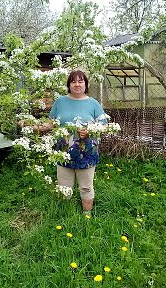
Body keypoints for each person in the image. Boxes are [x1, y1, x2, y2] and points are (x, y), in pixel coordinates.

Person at [48, 70, 107, 215]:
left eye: (80, 81)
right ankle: (65, 215)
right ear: (69, 84)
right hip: (63, 151)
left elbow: (104, 126)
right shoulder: (60, 102)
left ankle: (86, 216)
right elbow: (50, 124)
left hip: (86, 152)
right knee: (64, 186)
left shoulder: (93, 103)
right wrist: (30, 125)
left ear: (86, 84)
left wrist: (90, 132)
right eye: (73, 81)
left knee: (86, 186)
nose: (77, 84)